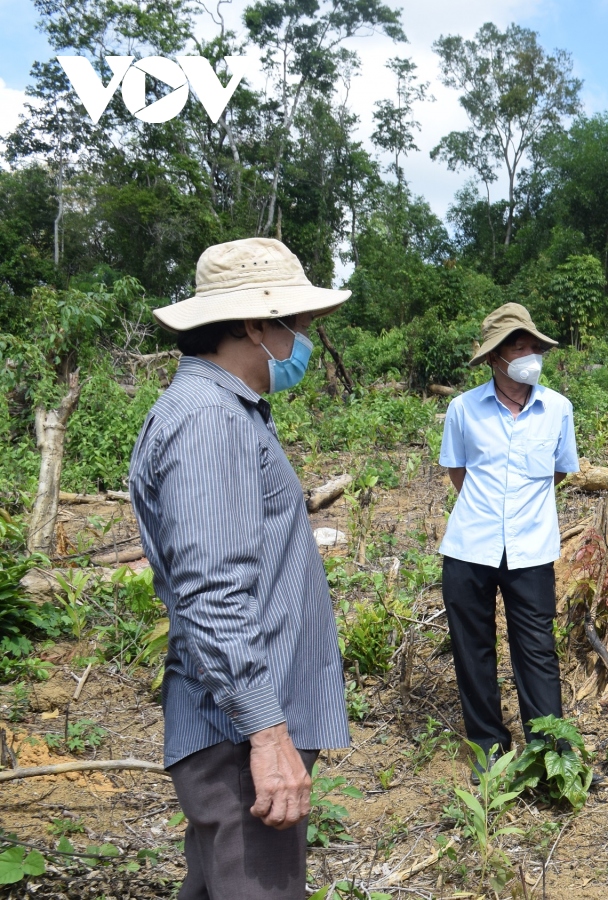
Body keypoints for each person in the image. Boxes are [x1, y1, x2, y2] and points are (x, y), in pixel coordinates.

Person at [130, 237, 351, 899]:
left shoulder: (223, 414)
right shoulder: (210, 422)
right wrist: (267, 733)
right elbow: (213, 592)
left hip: (240, 730)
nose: (305, 341)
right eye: (300, 325)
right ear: (257, 325)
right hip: (239, 739)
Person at [437, 303, 579, 777]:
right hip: (469, 548)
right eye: (519, 346)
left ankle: (549, 751)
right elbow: (458, 472)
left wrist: (521, 510)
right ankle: (488, 749)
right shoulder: (463, 410)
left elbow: (559, 470)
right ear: (496, 356)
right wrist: (489, 508)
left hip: (531, 549)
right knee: (472, 650)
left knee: (536, 649)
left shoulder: (558, 409)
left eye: (534, 346)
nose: (529, 354)